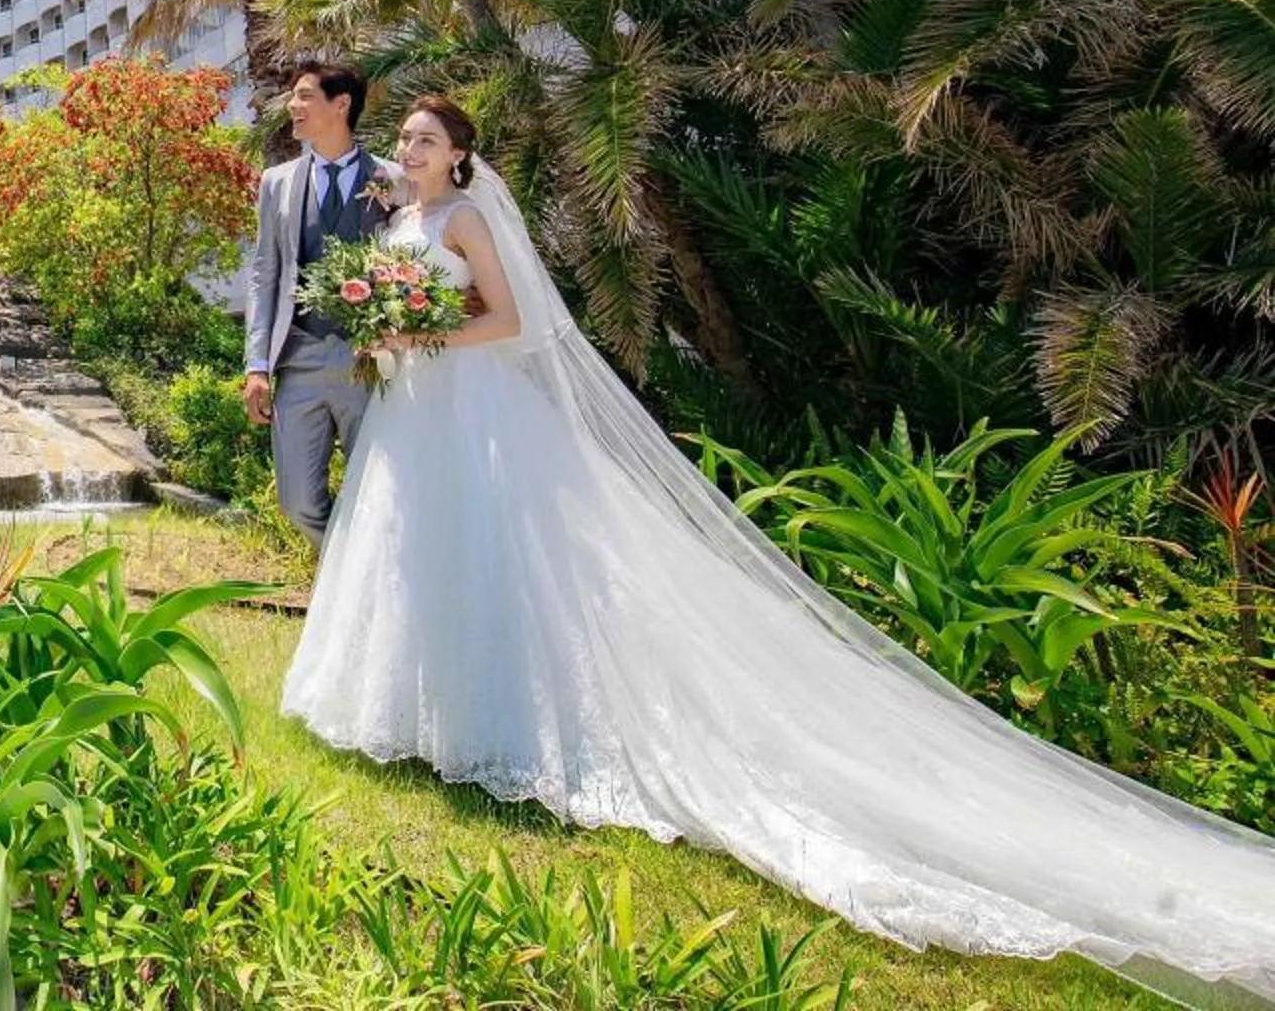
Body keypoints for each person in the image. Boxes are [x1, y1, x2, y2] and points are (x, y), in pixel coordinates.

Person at [285, 95, 1275, 1001]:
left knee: (508, 558)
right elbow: (404, 306)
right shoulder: (399, 222)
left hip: (478, 413)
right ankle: (420, 713)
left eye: (425, 138)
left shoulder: (465, 221)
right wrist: (386, 337)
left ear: (460, 156)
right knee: (421, 556)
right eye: (406, 138)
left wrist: (424, 338)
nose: (409, 149)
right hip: (416, 417)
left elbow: (508, 319)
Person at [240, 58, 385, 548]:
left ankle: (357, 604)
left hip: (372, 364)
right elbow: (265, 273)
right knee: (297, 501)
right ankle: (347, 579)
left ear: (340, 105)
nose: (293, 107)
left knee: (380, 494)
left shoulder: (391, 179)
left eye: (305, 96)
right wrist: (256, 366)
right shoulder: (276, 182)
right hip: (297, 359)